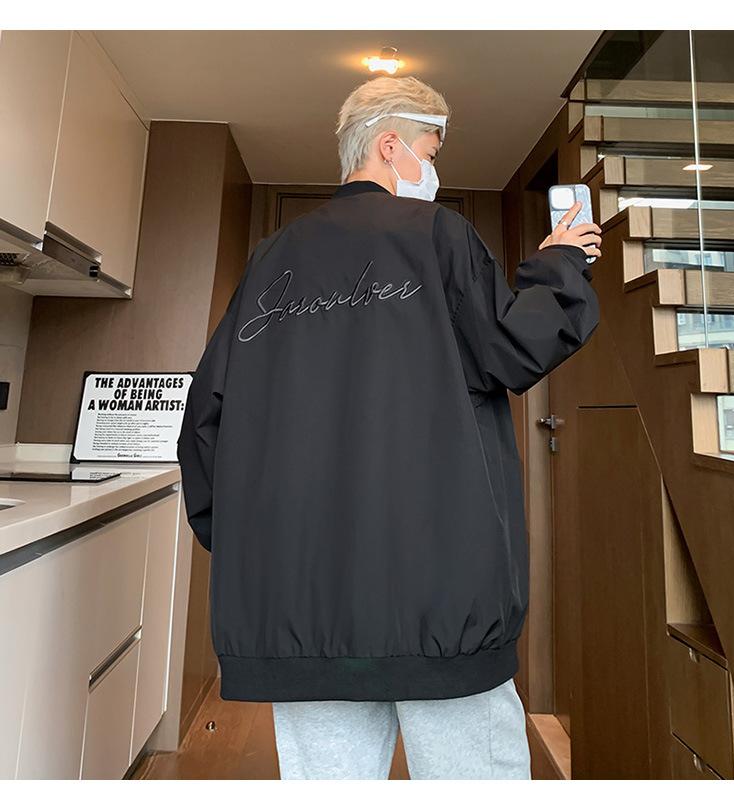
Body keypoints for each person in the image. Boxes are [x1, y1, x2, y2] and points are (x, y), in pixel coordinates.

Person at [176, 75, 601, 780]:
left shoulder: (272, 256)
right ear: (390, 145)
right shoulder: (438, 235)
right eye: (431, 151)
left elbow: (204, 423)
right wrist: (560, 262)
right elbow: (514, 348)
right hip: (443, 603)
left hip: (300, 612)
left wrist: (256, 547)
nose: (434, 170)